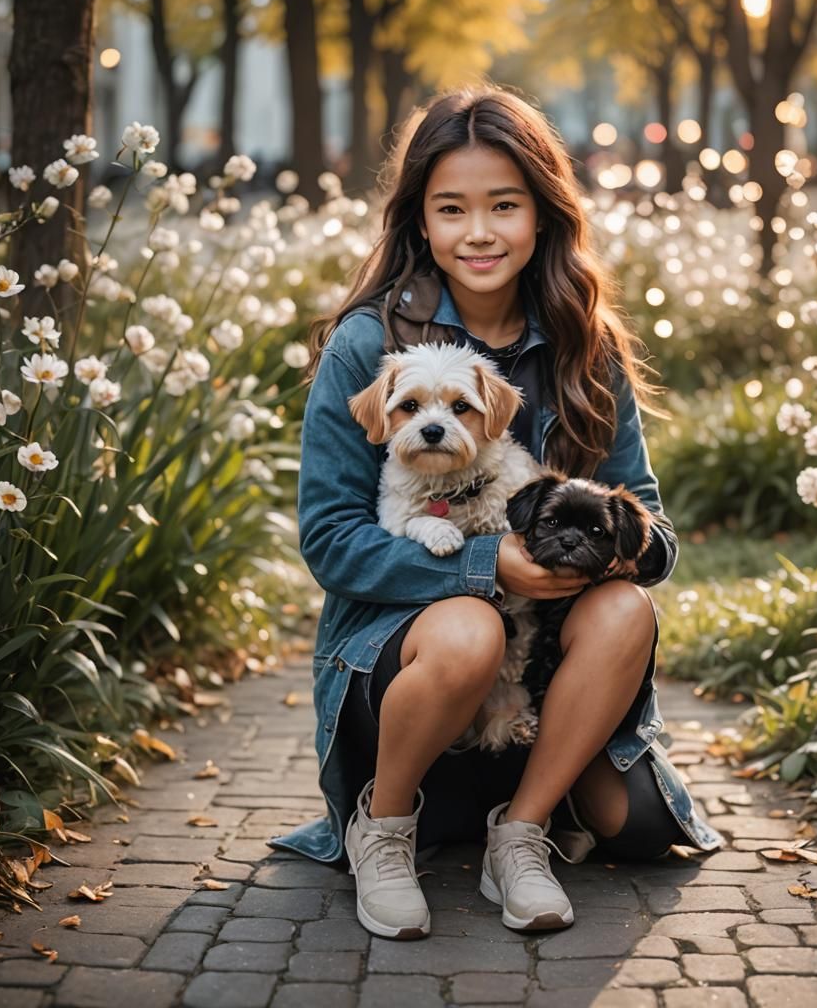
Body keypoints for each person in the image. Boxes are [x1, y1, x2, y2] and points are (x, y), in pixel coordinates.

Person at [268, 82, 720, 941]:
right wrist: (487, 567)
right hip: (409, 667)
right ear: (420, 222)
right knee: (470, 622)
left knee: (642, 812)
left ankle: (520, 831)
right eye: (452, 208)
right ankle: (384, 827)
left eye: (504, 205)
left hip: (541, 667)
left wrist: (613, 549)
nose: (479, 232)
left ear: (543, 216)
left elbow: (653, 529)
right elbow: (330, 539)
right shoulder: (370, 347)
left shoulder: (585, 343)